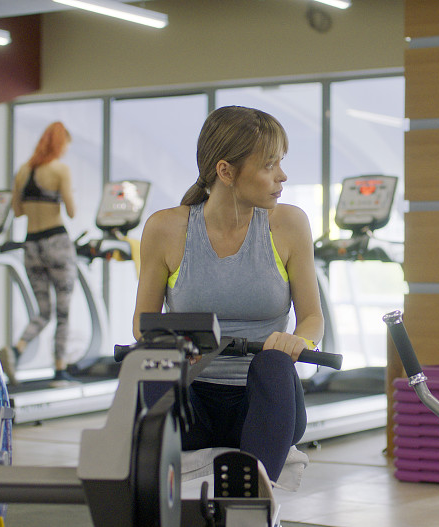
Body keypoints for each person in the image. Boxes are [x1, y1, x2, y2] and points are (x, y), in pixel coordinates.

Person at [132, 106, 324, 480]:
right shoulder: (165, 228)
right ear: (226, 171)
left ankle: (252, 498)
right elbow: (143, 324)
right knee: (152, 365)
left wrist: (298, 341)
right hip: (192, 405)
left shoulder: (289, 224)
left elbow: (313, 318)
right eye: (270, 165)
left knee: (273, 363)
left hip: (263, 403)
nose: (282, 176)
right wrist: (173, 344)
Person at [0, 122, 78, 387]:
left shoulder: (23, 171)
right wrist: (67, 194)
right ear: (60, 143)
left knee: (43, 311)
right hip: (56, 242)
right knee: (63, 312)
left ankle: (17, 349)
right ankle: (60, 369)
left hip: (31, 245)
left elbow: (18, 211)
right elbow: (72, 211)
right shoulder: (60, 170)